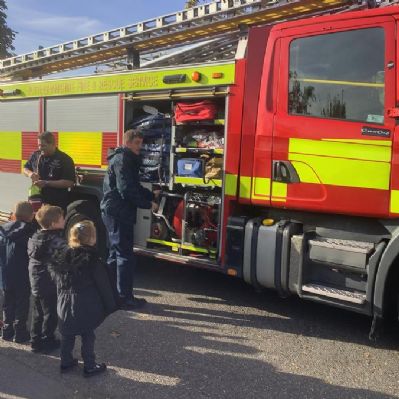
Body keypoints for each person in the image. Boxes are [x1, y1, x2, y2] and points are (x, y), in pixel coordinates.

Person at [101, 129, 159, 310]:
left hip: (115, 211)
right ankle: (124, 298)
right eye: (136, 143)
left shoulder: (125, 158)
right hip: (118, 212)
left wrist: (150, 195)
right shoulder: (123, 160)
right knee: (124, 255)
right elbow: (125, 189)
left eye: (141, 143)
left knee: (114, 254)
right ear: (127, 142)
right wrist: (147, 204)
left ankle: (110, 294)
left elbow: (133, 186)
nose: (139, 147)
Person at [51, 220, 117, 377]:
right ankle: (90, 365)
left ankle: (65, 362)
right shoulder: (93, 260)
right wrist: (110, 305)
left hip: (64, 304)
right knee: (88, 335)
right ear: (93, 238)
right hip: (86, 305)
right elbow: (103, 286)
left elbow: (58, 283)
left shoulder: (62, 258)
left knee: (67, 335)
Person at [28, 205, 67, 353]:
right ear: (53, 224)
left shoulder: (35, 237)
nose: (64, 220)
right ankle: (47, 340)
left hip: (36, 281)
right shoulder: (56, 241)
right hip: (50, 282)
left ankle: (35, 341)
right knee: (50, 314)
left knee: (37, 312)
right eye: (62, 218)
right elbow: (65, 261)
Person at [0, 201, 35, 343]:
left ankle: (7, 331)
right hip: (23, 275)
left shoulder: (3, 231)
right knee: (22, 303)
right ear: (31, 216)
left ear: (13, 215)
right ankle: (20, 332)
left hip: (5, 274)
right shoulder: (31, 232)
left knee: (8, 303)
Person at [24, 131, 75, 211]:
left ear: (53, 144)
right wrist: (30, 174)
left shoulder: (64, 159)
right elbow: (25, 168)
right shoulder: (36, 155)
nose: (40, 148)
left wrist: (46, 183)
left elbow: (69, 182)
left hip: (55, 205)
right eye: (39, 145)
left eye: (43, 146)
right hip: (36, 202)